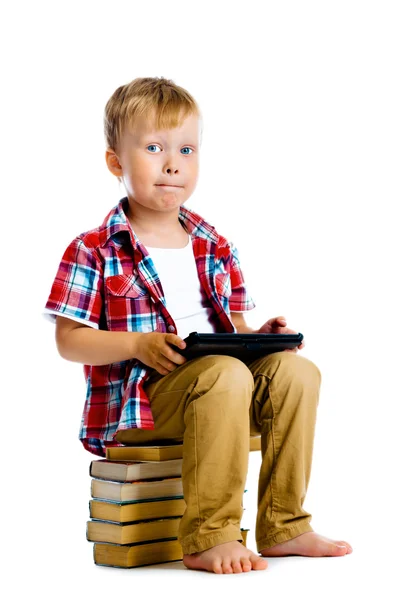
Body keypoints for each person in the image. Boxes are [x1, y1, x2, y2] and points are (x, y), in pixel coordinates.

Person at [45, 76, 352, 574]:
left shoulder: (215, 245)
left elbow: (234, 330)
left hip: (221, 390)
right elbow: (69, 342)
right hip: (144, 405)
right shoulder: (93, 249)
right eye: (153, 147)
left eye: (186, 149)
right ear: (115, 162)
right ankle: (209, 535)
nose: (172, 163)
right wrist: (138, 344)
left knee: (298, 372)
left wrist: (262, 340)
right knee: (223, 374)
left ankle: (284, 524)